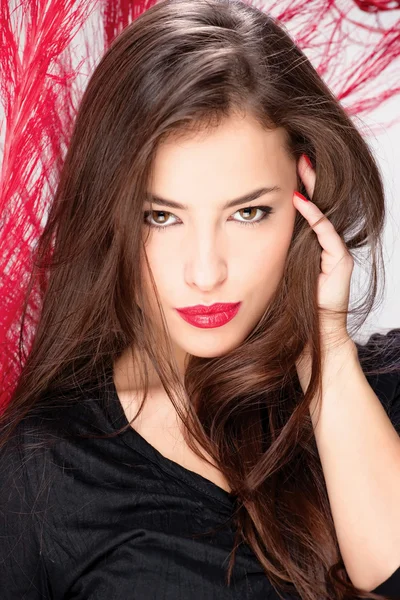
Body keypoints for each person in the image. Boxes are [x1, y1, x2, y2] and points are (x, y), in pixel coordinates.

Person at [0, 0, 399, 598]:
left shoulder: (380, 390)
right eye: (161, 216)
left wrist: (330, 353)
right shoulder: (43, 468)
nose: (206, 272)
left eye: (248, 212)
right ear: (110, 217)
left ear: (305, 196)